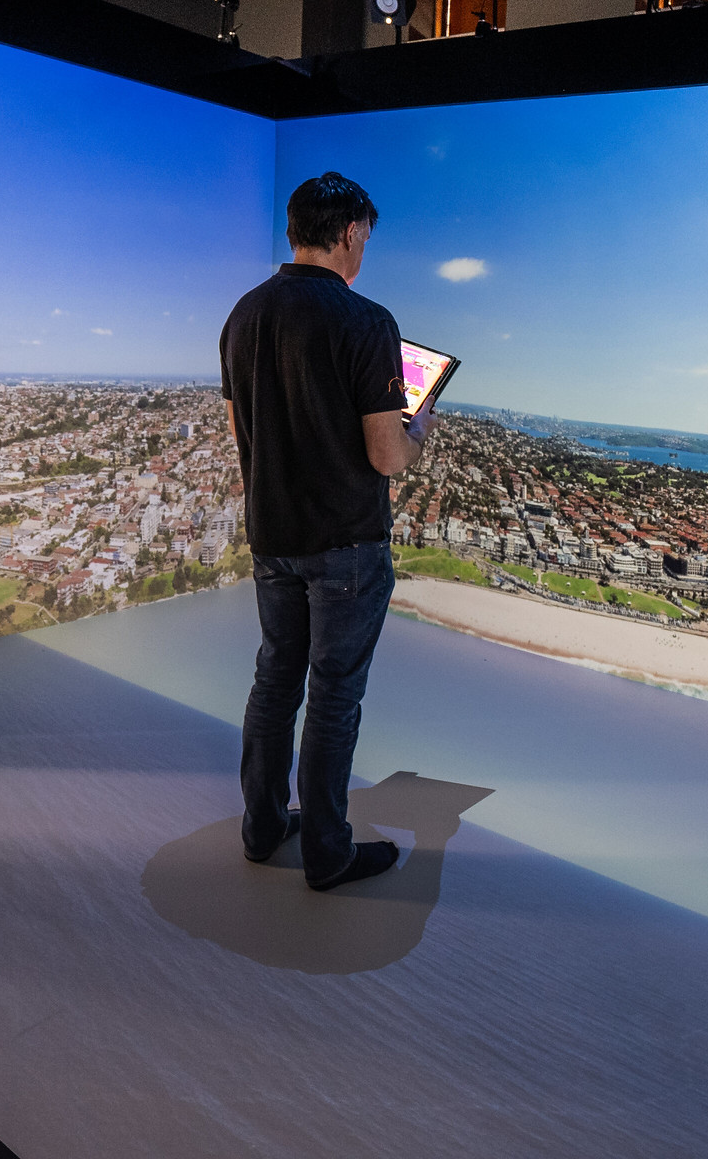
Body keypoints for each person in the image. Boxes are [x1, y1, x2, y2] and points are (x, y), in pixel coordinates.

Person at [219, 172, 437, 891]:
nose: (364, 250)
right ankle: (328, 852)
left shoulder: (244, 314)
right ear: (348, 233)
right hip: (345, 542)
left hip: (273, 536)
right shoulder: (366, 321)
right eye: (365, 237)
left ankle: (260, 828)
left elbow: (241, 435)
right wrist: (421, 430)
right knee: (335, 698)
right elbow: (386, 456)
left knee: (274, 681)